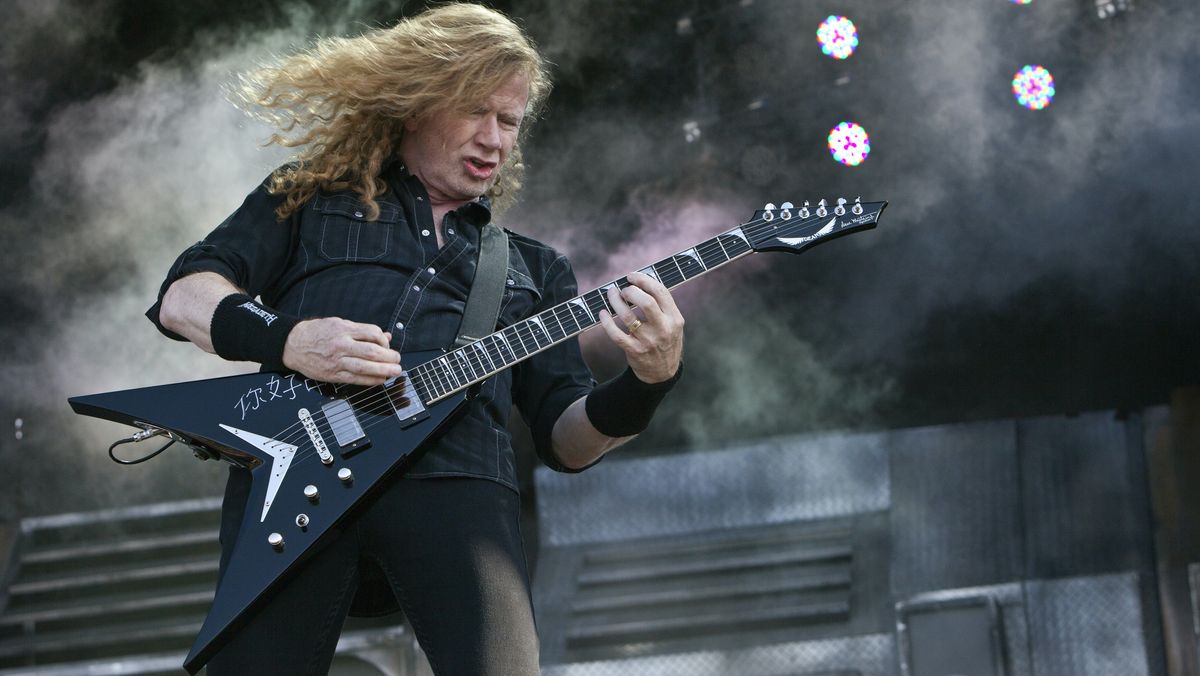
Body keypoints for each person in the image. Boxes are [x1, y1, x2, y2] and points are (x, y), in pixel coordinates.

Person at [147, 4, 684, 674]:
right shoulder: (308, 197)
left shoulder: (533, 268)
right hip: (294, 474)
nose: (494, 138)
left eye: (510, 121)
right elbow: (184, 297)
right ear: (415, 105)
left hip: (459, 491)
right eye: (475, 112)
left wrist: (647, 384)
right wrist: (288, 340)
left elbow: (566, 441)